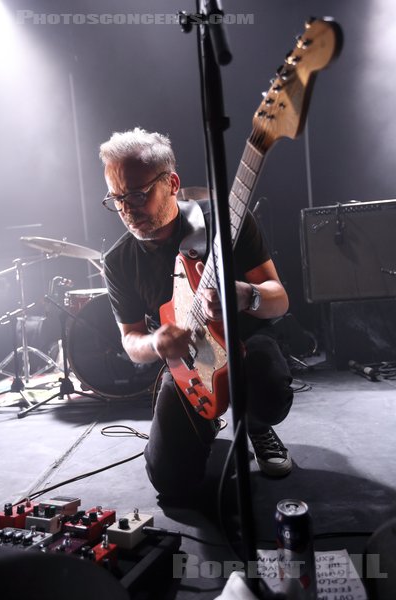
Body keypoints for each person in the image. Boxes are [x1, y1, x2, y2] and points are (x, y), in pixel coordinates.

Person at [100, 127, 294, 502]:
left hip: (244, 343)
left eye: (138, 194)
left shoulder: (227, 221)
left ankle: (254, 424)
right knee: (170, 482)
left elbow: (280, 299)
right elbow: (130, 341)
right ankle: (204, 427)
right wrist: (157, 342)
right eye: (116, 198)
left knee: (268, 389)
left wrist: (246, 296)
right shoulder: (118, 261)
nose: (127, 209)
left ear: (171, 183)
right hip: (189, 363)